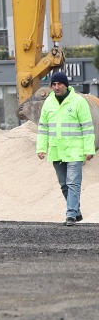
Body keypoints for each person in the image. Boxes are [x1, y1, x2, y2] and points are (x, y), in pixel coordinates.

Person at [36, 70, 94, 225]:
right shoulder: (48, 102)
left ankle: (70, 215)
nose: (56, 87)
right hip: (57, 150)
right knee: (64, 185)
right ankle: (77, 212)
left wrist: (89, 149)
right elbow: (43, 128)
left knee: (73, 183)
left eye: (59, 84)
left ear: (66, 85)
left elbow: (87, 128)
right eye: (53, 84)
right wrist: (41, 148)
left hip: (75, 149)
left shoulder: (78, 102)